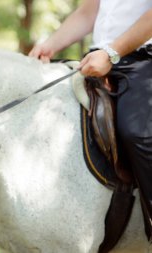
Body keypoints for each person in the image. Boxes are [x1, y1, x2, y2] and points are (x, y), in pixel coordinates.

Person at [30, 0, 152, 240]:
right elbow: (89, 12)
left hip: (142, 61)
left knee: (137, 131)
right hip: (96, 60)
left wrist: (112, 52)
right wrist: (50, 45)